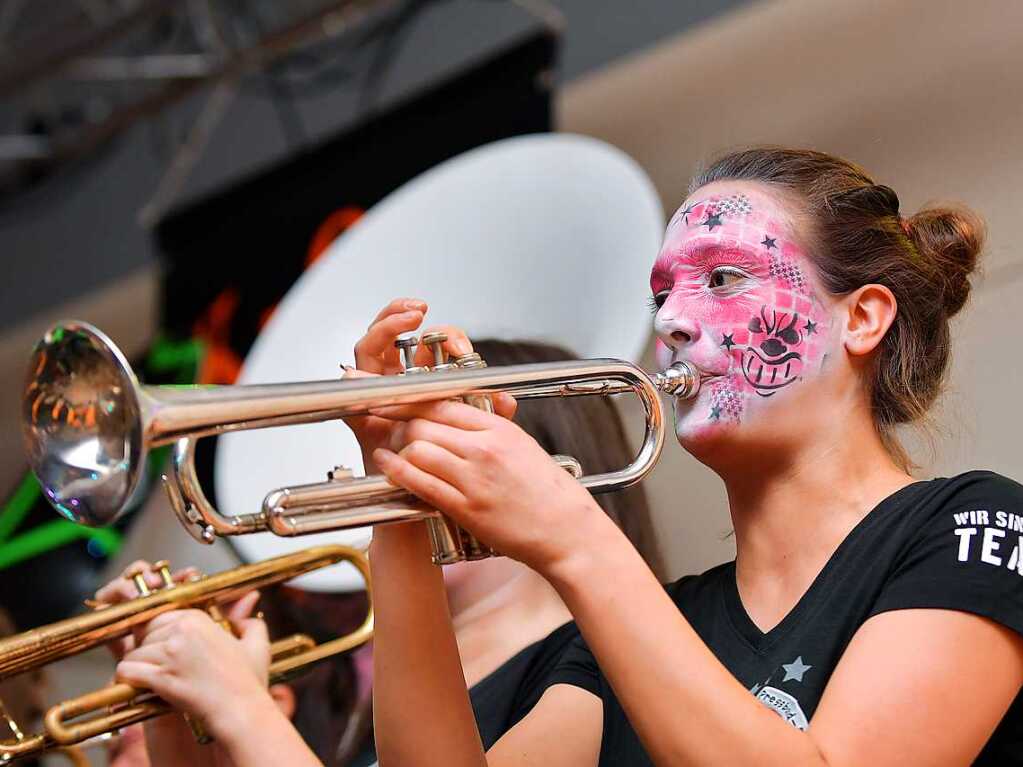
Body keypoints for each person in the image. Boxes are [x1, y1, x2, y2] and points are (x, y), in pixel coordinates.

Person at [116, 145, 1023, 765]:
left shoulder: (971, 527)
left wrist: (574, 538)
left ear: (860, 316)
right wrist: (396, 498)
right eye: (663, 291)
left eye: (722, 278)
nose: (668, 322)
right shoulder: (638, 628)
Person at [108, 337, 658, 766]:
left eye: (432, 438)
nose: (400, 465)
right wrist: (177, 708)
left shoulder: (603, 673)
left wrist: (239, 707)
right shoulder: (376, 704)